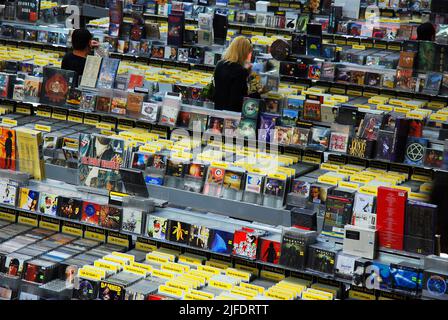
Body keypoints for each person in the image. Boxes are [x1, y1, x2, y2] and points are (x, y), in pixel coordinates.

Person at [213, 36, 253, 112]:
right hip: (233, 114)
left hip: (218, 109)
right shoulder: (240, 71)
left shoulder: (219, 64)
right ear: (243, 52)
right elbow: (238, 97)